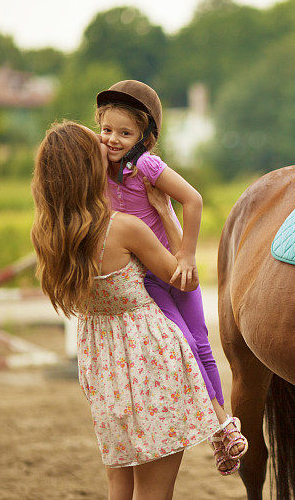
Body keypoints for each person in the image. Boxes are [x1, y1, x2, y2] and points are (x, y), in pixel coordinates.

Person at [31, 122, 221, 498]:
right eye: (99, 143)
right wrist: (166, 212)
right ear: (88, 170)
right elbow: (185, 281)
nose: (108, 142)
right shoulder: (125, 229)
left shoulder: (47, 234)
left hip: (103, 366)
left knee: (119, 486)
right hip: (149, 362)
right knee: (155, 491)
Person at [94, 80, 246, 474]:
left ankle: (222, 426)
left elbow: (192, 199)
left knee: (201, 342)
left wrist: (188, 253)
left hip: (174, 268)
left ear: (144, 138)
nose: (113, 139)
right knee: (182, 341)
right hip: (146, 278)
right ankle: (217, 427)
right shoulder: (99, 169)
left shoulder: (145, 166)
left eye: (125, 133)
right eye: (107, 129)